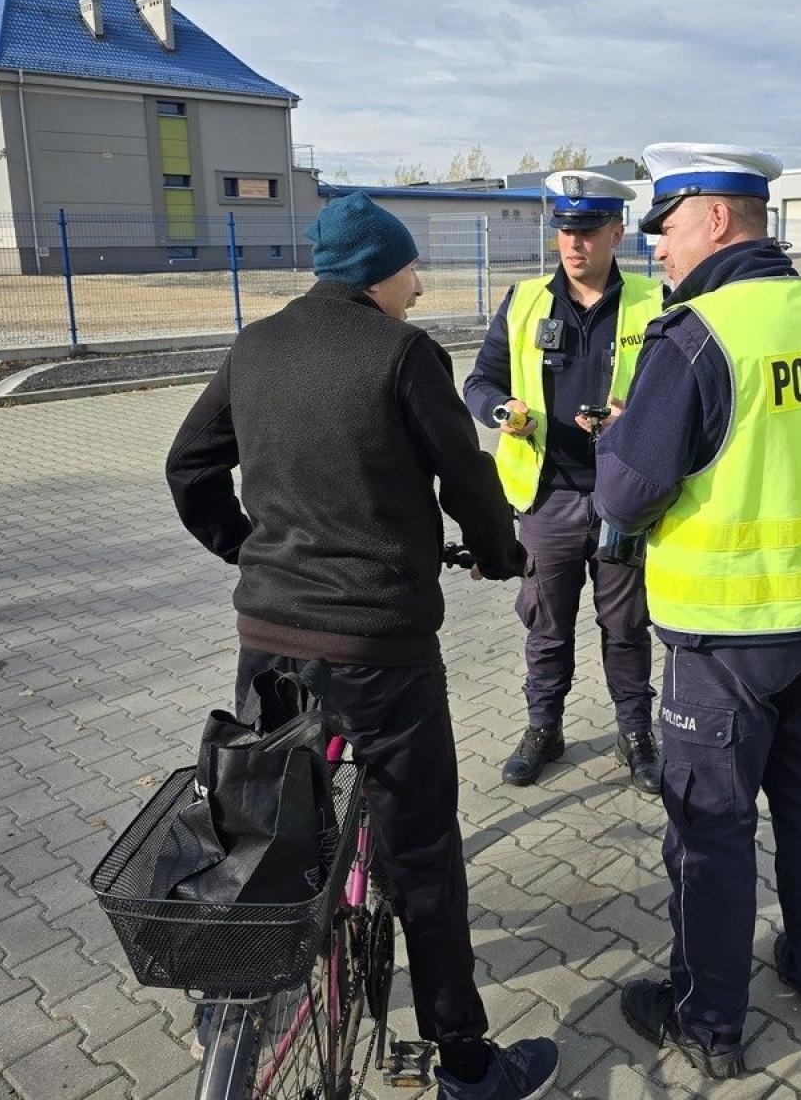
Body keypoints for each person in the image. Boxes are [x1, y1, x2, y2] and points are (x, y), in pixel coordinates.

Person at [165, 191, 559, 1100]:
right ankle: (465, 1062)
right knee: (420, 853)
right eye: (412, 271)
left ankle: (235, 997)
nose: (420, 289)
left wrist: (246, 549)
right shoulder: (402, 355)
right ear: (379, 274)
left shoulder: (255, 344)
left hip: (268, 641)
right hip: (381, 652)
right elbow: (467, 479)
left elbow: (188, 466)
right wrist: (501, 555)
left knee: (266, 824)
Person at [594, 145, 801, 1081]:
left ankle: (708, 1021)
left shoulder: (694, 338)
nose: (658, 254)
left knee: (710, 830)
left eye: (667, 229)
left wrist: (618, 445)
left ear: (715, 220)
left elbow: (628, 492)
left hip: (724, 637)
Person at [462, 170, 665, 793]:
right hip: (546, 495)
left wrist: (634, 418)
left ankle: (636, 734)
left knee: (626, 626)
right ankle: (543, 728)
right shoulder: (524, 302)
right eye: (565, 231)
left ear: (616, 233)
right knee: (546, 623)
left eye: (588, 231)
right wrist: (504, 413)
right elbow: (480, 382)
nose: (574, 244)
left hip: (621, 499)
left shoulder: (655, 303)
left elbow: (674, 393)